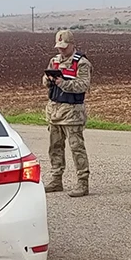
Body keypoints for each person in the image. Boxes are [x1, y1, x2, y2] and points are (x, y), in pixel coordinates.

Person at [42, 29, 92, 197]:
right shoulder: (54, 61)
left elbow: (83, 85)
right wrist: (48, 80)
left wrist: (63, 83)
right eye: (59, 47)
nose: (61, 50)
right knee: (55, 147)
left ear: (72, 45)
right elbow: (44, 83)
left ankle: (82, 183)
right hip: (54, 112)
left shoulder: (82, 63)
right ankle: (56, 180)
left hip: (72, 114)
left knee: (76, 148)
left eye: (64, 46)